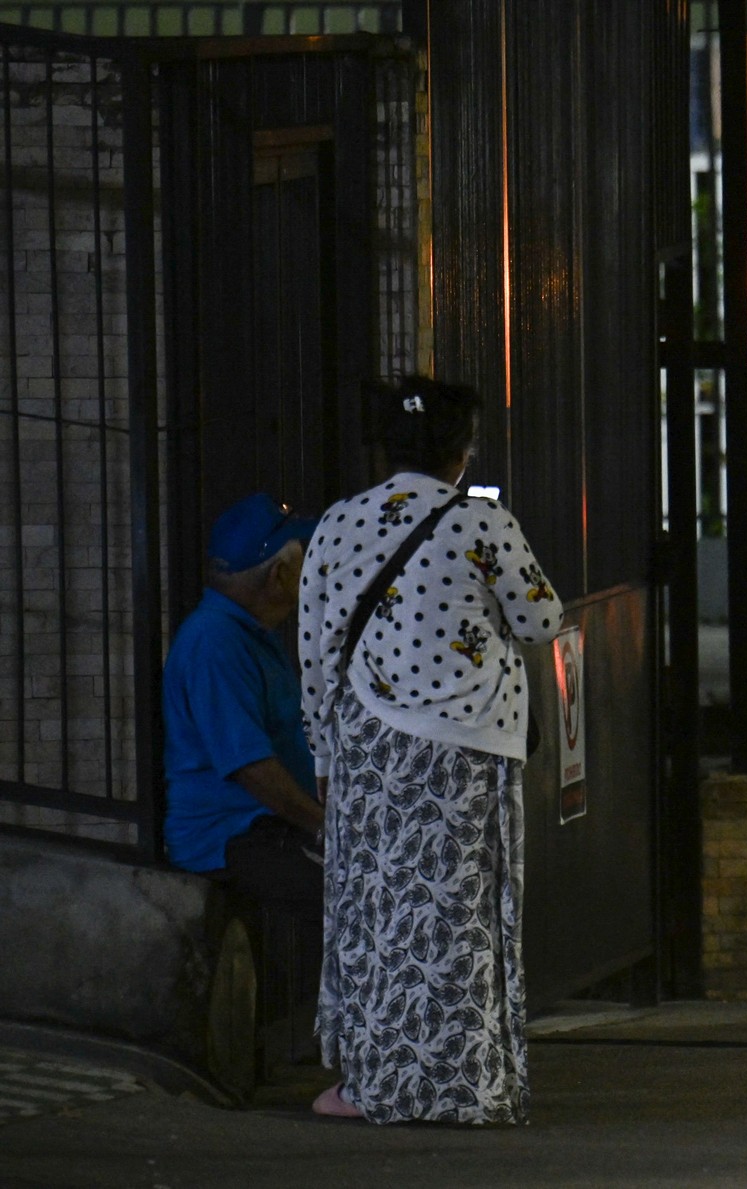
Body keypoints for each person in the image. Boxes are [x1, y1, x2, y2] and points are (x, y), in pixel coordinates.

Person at [298, 377, 564, 1123]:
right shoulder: (483, 524)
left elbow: (316, 655)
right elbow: (543, 619)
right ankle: (469, 1083)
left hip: (366, 752)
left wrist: (324, 755)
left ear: (388, 447)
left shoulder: (338, 524)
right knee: (460, 913)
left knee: (377, 912)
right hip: (465, 750)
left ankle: (369, 1083)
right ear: (460, 451)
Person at [163, 493, 324, 919]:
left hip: (262, 825)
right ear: (280, 573)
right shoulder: (215, 642)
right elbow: (252, 769)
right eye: (304, 558)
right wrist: (325, 825)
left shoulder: (246, 633)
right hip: (230, 834)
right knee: (357, 895)